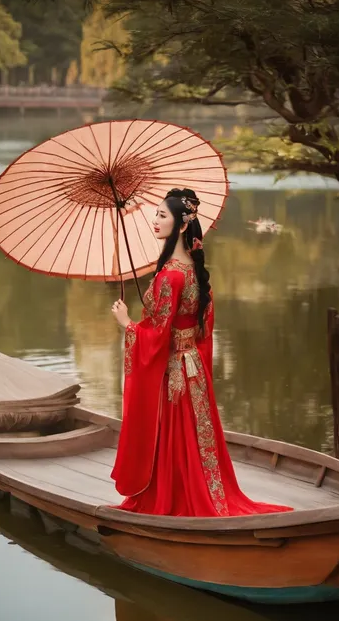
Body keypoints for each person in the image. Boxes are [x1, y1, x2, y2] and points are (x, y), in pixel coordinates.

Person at [110, 188, 292, 517]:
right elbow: (200, 327)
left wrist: (127, 324)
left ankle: (175, 501)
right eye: (156, 214)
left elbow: (158, 337)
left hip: (174, 372)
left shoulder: (169, 276)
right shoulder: (192, 270)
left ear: (181, 225)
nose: (155, 220)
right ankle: (200, 495)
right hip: (192, 367)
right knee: (192, 440)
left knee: (175, 441)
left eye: (162, 215)